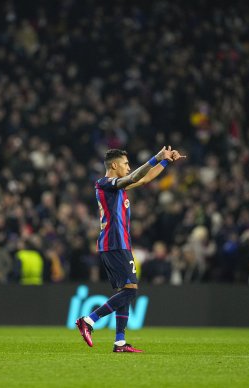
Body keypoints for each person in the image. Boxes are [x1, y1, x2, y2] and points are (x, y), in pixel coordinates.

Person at [76, 146, 185, 353]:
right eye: (125, 164)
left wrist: (166, 162)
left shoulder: (116, 187)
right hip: (114, 243)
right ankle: (89, 320)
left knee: (124, 291)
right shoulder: (106, 183)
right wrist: (156, 157)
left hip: (119, 243)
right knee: (130, 290)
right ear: (114, 165)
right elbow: (135, 176)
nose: (128, 167)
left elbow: (143, 179)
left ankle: (120, 342)